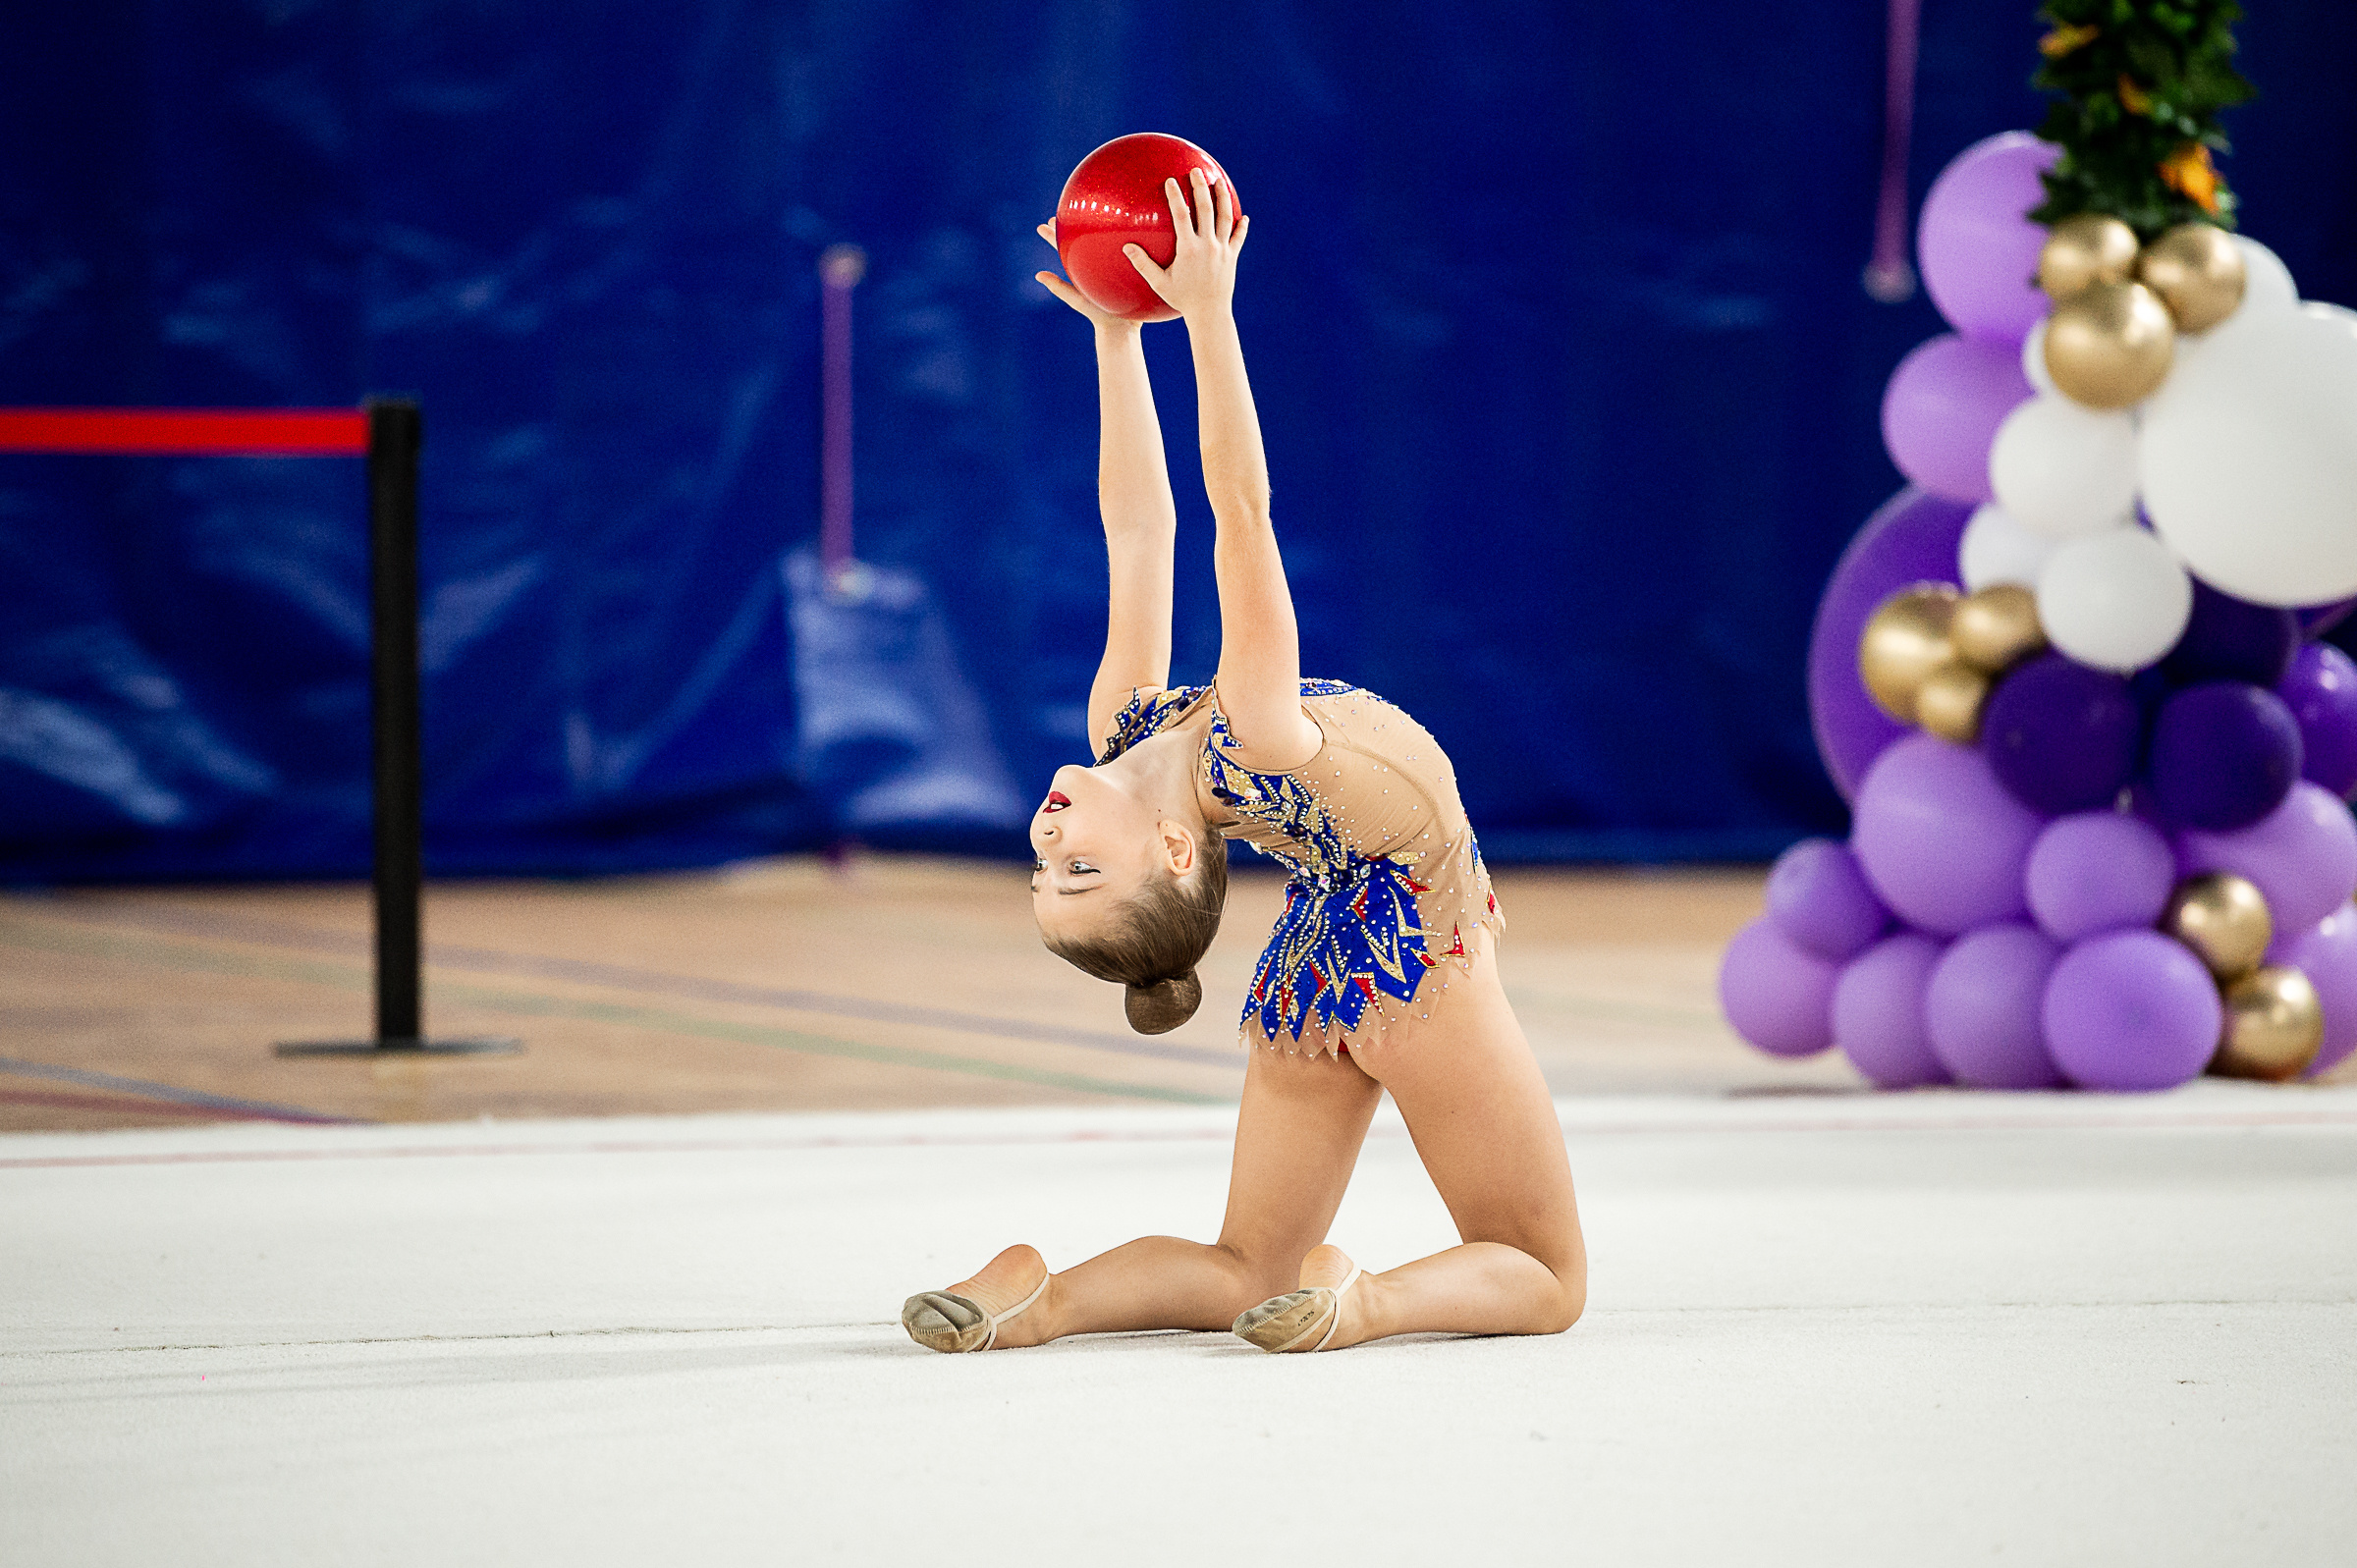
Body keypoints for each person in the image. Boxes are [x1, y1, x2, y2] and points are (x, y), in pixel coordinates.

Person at [901, 169, 1585, 1355]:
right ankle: (1366, 1300)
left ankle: (1041, 1296)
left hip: (1309, 966)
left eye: (1041, 871)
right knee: (1544, 1273)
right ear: (1175, 849)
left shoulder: (1131, 719)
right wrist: (1209, 318)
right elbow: (1240, 516)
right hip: (1413, 943)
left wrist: (1120, 339)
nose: (1047, 843)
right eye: (1080, 874)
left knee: (1241, 1266)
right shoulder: (1255, 732)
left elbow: (1138, 527)